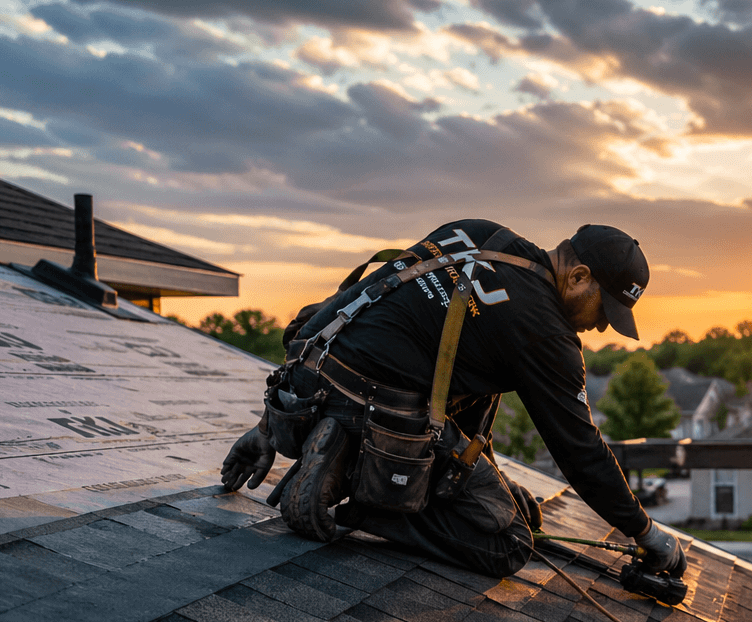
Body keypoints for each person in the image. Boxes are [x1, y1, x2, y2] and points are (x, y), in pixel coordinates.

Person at [220, 220, 685, 585]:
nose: (603, 327)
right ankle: (358, 500)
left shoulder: (479, 234)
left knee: (515, 503)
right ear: (579, 276)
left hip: (306, 379)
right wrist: (647, 533)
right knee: (509, 542)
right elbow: (581, 451)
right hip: (375, 413)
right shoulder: (545, 331)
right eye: (605, 310)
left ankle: (337, 454)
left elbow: (346, 306)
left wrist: (267, 425)